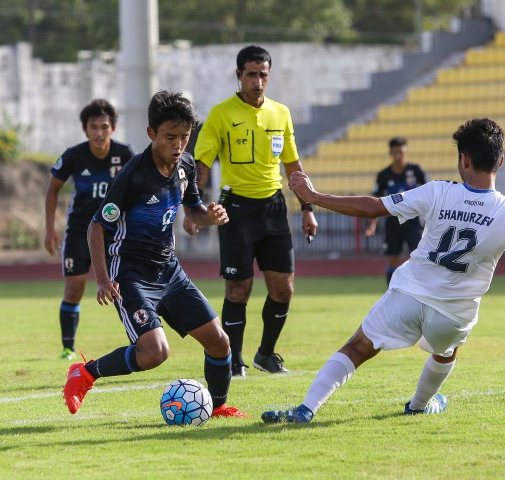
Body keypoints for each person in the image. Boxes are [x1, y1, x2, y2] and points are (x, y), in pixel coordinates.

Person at [261, 118, 505, 424]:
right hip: (454, 313)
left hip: (408, 294)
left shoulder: (438, 191)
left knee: (359, 347)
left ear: (464, 160)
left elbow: (373, 207)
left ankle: (305, 409)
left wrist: (316, 197)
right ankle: (420, 405)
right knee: (446, 351)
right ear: (500, 162)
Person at [62, 90, 248, 418]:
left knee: (220, 343)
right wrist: (104, 279)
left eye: (185, 137)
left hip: (170, 272)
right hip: (131, 275)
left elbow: (192, 213)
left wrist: (210, 216)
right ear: (152, 134)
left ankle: (217, 408)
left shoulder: (185, 166)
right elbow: (96, 227)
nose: (178, 145)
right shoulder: (133, 175)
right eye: (170, 137)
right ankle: (86, 373)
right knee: (154, 353)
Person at [183, 45, 318, 379]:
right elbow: (201, 165)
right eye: (251, 74)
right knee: (238, 289)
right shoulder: (220, 115)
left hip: (274, 208)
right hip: (236, 211)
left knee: (283, 288)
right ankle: (235, 361)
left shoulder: (280, 113)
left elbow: (293, 165)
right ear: (239, 75)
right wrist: (194, 208)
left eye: (263, 75)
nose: (258, 81)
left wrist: (307, 207)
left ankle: (266, 355)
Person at [44, 99, 134, 361]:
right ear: (85, 129)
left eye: (104, 127)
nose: (99, 133)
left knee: (124, 286)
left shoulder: (125, 154)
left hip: (115, 232)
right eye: (93, 127)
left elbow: (138, 188)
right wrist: (50, 230)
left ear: (113, 128)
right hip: (79, 231)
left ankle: (138, 338)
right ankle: (68, 347)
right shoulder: (73, 155)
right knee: (74, 287)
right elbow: (52, 189)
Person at [365, 137, 428, 285]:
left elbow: (429, 193)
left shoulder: (416, 171)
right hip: (393, 222)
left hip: (414, 222)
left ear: (406, 152)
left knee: (419, 257)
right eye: (396, 152)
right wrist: (371, 224)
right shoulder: (384, 175)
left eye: (401, 152)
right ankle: (391, 292)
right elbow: (375, 200)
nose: (399, 156)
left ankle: (421, 291)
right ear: (390, 153)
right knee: (392, 259)